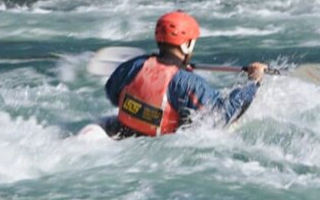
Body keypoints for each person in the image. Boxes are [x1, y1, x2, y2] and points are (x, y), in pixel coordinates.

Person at [103, 11, 267, 138]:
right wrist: (253, 82)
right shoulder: (187, 82)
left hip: (121, 135)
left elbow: (112, 94)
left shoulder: (135, 65)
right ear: (187, 44)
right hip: (159, 146)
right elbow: (222, 116)